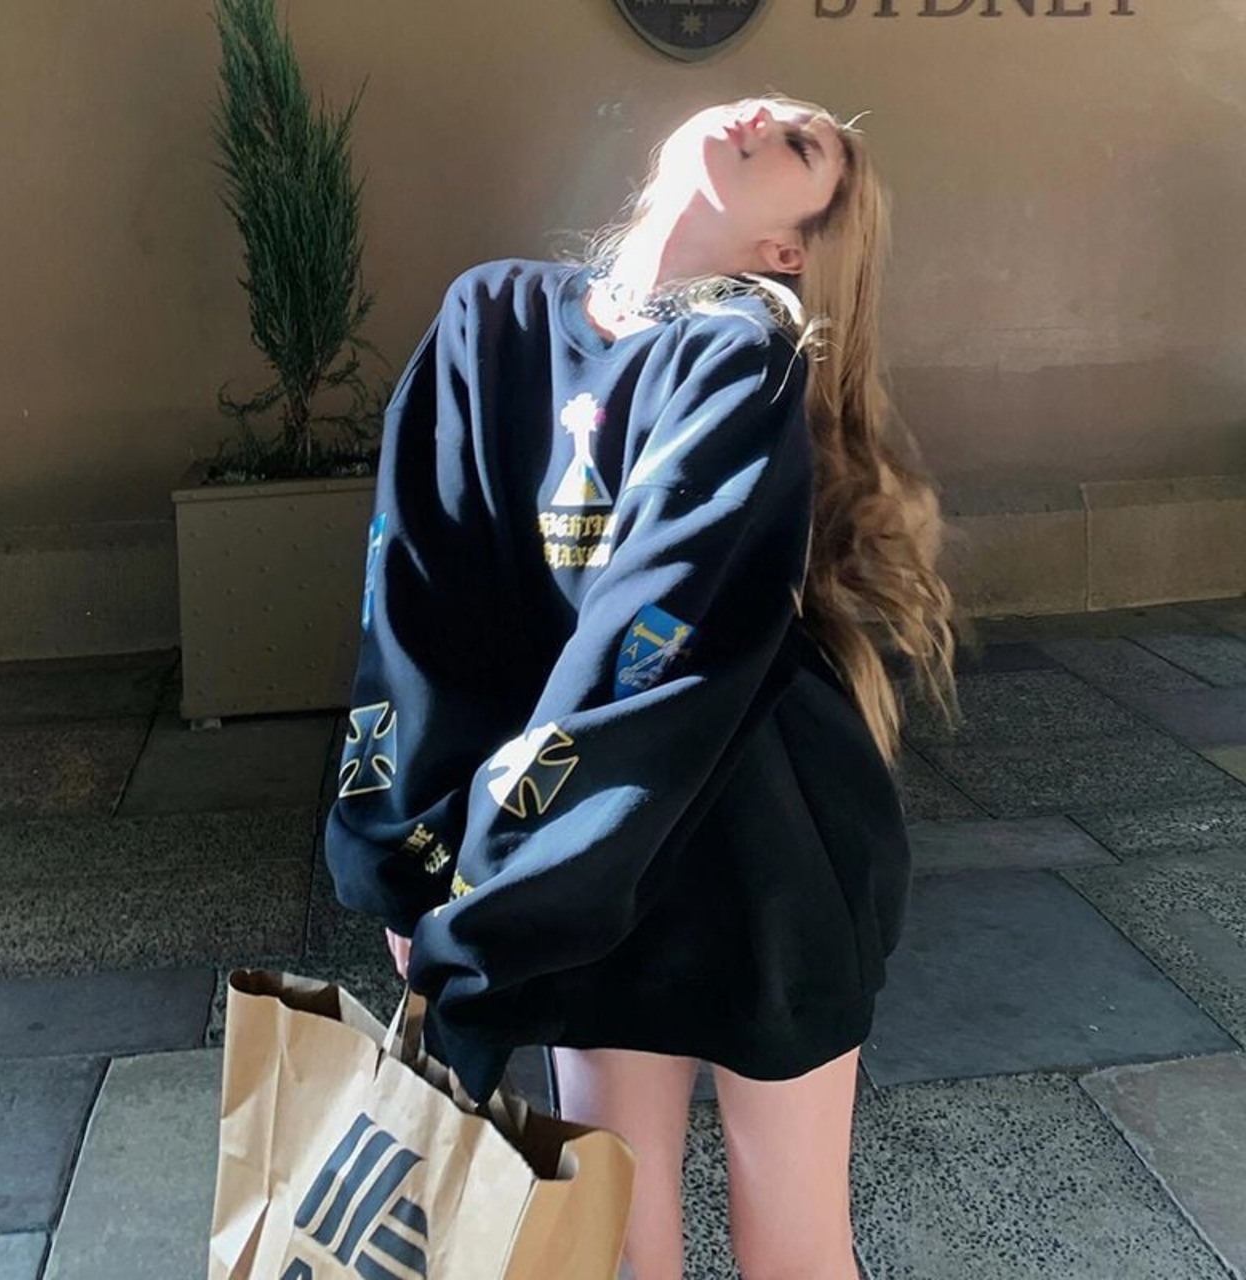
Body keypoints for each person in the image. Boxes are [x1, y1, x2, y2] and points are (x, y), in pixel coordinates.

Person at [325, 94, 963, 1280]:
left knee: (791, 1248)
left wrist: (491, 894)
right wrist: (407, 854)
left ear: (786, 249)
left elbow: (651, 640)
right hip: (575, 864)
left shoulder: (743, 352)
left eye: (802, 144)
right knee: (617, 1246)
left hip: (759, 854)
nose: (766, 114)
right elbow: (416, 607)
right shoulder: (489, 316)